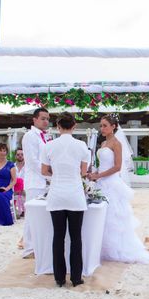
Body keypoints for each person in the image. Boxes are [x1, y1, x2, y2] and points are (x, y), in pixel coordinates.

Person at [88, 114, 149, 263]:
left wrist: (99, 176)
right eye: (101, 125)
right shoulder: (104, 144)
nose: (102, 128)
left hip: (111, 183)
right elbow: (103, 164)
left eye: (105, 125)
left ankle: (115, 249)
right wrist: (94, 173)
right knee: (101, 216)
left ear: (114, 127)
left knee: (113, 217)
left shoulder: (116, 143)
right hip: (100, 182)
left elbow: (117, 167)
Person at [40, 112, 88, 287]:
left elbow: (44, 171)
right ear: (74, 126)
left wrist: (58, 174)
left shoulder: (49, 146)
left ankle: (59, 278)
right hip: (75, 195)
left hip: (57, 195)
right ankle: (76, 278)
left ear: (58, 127)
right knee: (76, 238)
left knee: (58, 237)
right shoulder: (82, 145)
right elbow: (83, 172)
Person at [21, 107, 50, 255]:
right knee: (32, 215)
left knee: (42, 215)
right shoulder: (30, 136)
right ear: (35, 119)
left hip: (44, 181)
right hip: (34, 181)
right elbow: (32, 161)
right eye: (43, 118)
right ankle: (29, 248)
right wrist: (49, 173)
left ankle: (38, 245)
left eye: (47, 119)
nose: (46, 121)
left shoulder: (45, 136)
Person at [14, 147, 26, 217]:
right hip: (15, 189)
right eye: (18, 154)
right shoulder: (12, 166)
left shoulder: (28, 166)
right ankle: (18, 211)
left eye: (22, 154)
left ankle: (24, 210)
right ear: (15, 156)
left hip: (25, 189)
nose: (20, 156)